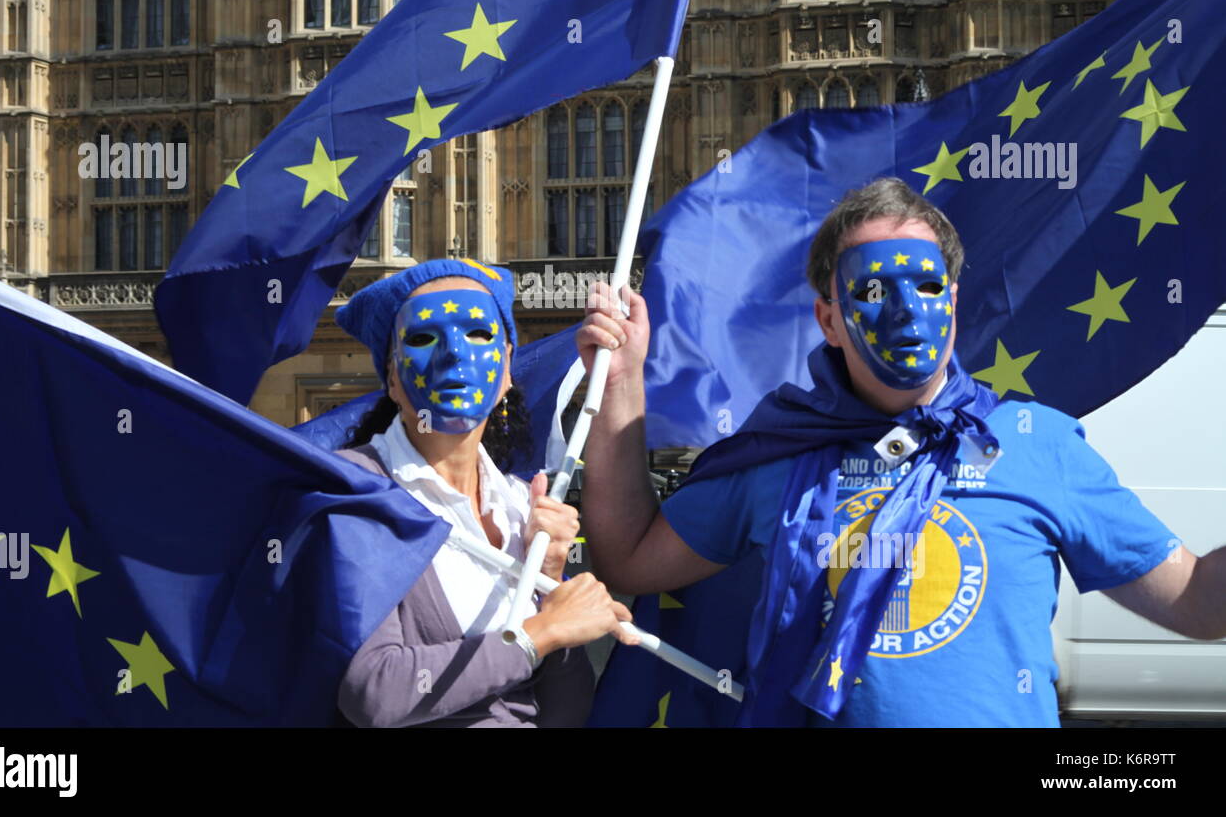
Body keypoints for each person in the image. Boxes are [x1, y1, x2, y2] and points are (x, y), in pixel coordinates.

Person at [576, 177, 1226, 727]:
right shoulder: (776, 454)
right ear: (829, 319)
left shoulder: (1037, 443)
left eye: (925, 284)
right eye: (873, 290)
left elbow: (1197, 601)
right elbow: (629, 559)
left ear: (953, 298)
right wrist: (623, 379)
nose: (905, 311)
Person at [332, 258, 634, 728]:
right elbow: (373, 693)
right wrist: (540, 632)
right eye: (423, 337)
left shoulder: (520, 505)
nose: (454, 353)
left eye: (477, 334)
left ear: (507, 369)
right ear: (392, 377)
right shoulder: (356, 493)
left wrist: (548, 582)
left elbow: (565, 715)